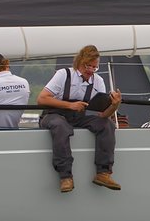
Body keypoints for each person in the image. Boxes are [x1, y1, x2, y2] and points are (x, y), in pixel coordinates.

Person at [37, 45, 122, 193]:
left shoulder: (98, 81)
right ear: (79, 62)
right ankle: (66, 176)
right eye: (87, 66)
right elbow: (42, 99)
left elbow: (103, 115)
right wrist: (70, 106)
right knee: (61, 126)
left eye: (94, 67)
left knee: (107, 124)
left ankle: (103, 173)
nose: (90, 70)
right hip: (53, 115)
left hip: (78, 117)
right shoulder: (63, 74)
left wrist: (114, 106)